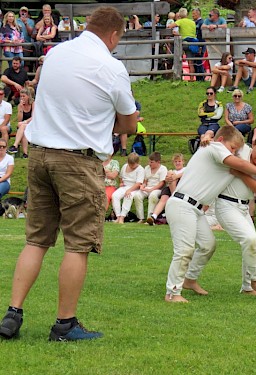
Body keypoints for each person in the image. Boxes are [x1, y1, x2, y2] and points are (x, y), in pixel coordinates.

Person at [0, 6, 138, 342]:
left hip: (40, 154)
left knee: (36, 239)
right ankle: (64, 324)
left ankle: (12, 314)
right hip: (77, 160)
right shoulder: (112, 66)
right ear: (114, 34)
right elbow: (130, 124)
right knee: (78, 244)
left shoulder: (56, 53)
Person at [164, 126, 256, 302]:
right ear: (221, 141)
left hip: (197, 208)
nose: (234, 153)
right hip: (182, 204)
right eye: (232, 149)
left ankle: (189, 279)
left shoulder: (223, 152)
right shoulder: (215, 147)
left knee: (208, 245)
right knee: (184, 250)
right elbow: (239, 161)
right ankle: (172, 292)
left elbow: (246, 160)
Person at [147, 153, 185, 225]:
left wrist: (175, 176)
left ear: (183, 161)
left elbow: (184, 173)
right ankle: (153, 217)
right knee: (163, 199)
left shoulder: (185, 169)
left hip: (181, 189)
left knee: (170, 173)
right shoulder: (173, 171)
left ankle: (174, 196)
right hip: (170, 188)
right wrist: (169, 178)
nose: (177, 163)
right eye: (175, 161)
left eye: (179, 161)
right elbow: (167, 180)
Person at [134, 152, 168, 223]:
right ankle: (141, 218)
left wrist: (151, 189)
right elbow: (145, 181)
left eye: (152, 162)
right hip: (148, 187)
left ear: (158, 162)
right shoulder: (147, 168)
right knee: (137, 195)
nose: (149, 163)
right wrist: (143, 186)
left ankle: (150, 218)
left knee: (153, 196)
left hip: (158, 189)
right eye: (149, 161)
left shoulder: (163, 169)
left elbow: (162, 183)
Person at [112, 153, 145, 224]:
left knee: (128, 196)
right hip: (124, 186)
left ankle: (122, 217)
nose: (131, 166)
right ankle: (118, 216)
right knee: (115, 195)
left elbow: (138, 183)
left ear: (137, 162)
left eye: (133, 165)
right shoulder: (124, 166)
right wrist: (121, 183)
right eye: (130, 164)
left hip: (134, 188)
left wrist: (129, 190)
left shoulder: (140, 169)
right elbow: (121, 177)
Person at [167, 8, 197, 81]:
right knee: (190, 62)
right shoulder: (192, 22)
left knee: (178, 58)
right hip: (192, 42)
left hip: (183, 42)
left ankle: (177, 77)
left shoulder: (180, 21)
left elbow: (169, 26)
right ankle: (192, 78)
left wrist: (177, 33)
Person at [8, 88, 34, 158]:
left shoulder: (33, 103)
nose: (22, 98)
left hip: (32, 124)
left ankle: (15, 146)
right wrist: (21, 109)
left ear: (28, 96)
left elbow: (34, 117)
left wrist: (25, 122)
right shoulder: (20, 105)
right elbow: (19, 119)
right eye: (21, 96)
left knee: (21, 126)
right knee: (23, 129)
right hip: (23, 127)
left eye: (24, 96)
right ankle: (25, 154)